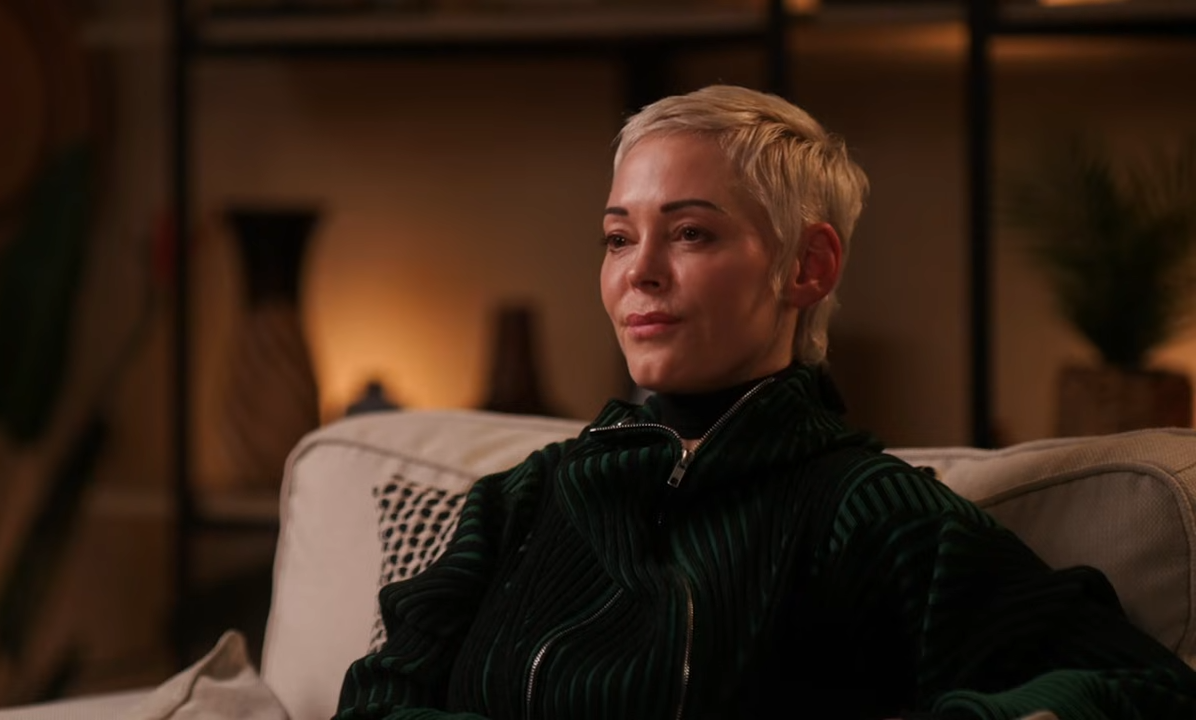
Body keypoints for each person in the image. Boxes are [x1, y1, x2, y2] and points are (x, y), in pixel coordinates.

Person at [335, 85, 1196, 719]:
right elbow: (377, 698)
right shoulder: (524, 499)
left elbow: (1144, 689)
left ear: (808, 266)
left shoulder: (871, 511)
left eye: (690, 232)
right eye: (618, 237)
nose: (640, 272)